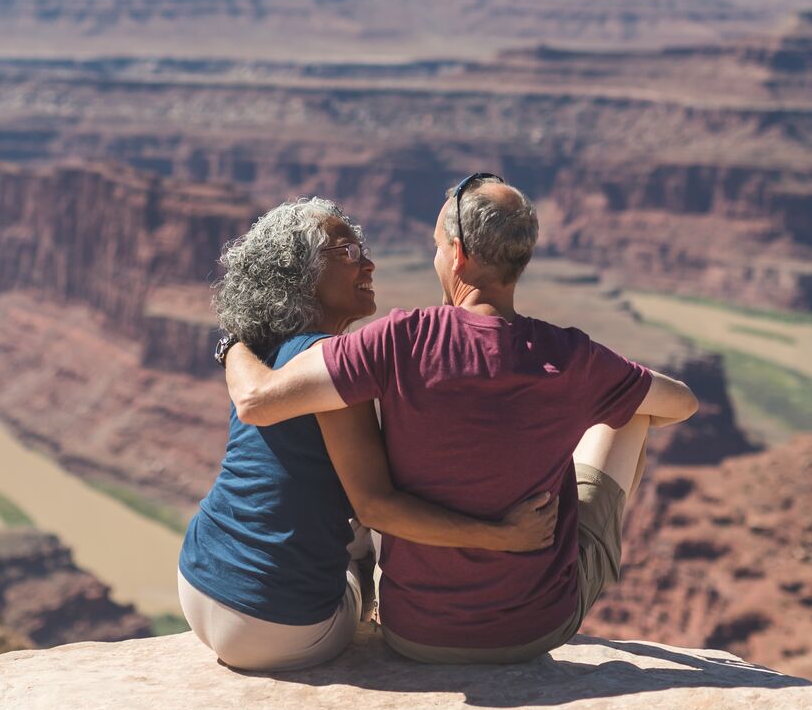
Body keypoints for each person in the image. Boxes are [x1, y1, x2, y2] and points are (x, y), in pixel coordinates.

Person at [225, 173, 699, 663]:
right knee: (630, 411)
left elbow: (258, 402)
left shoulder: (399, 340)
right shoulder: (572, 357)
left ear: (459, 254)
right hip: (536, 629)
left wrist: (235, 340)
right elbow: (682, 403)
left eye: (436, 247)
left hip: (415, 633)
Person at [178, 197, 560, 671]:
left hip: (197, 581)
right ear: (300, 274)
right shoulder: (332, 367)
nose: (370, 263)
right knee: (373, 523)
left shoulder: (264, 355)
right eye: (348, 252)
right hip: (280, 625)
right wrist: (499, 536)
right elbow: (376, 507)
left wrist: (231, 343)